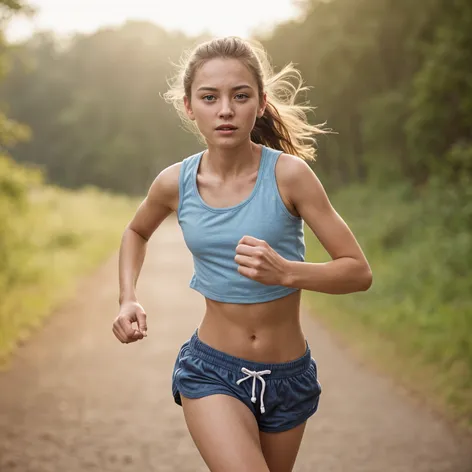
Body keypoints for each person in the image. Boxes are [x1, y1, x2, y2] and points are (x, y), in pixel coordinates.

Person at [112, 36, 372, 472]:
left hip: (289, 377)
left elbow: (358, 272)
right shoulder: (174, 182)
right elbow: (136, 230)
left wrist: (288, 272)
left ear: (262, 103)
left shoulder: (290, 176)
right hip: (211, 370)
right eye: (210, 97)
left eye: (240, 96)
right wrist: (127, 296)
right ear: (190, 106)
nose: (226, 110)